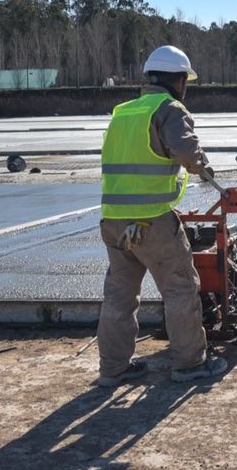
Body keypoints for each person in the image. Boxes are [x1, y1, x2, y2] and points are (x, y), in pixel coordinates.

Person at [96, 45, 228, 386]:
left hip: (113, 221)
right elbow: (185, 151)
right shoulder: (169, 108)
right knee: (180, 289)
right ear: (179, 80)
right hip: (152, 221)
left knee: (119, 296)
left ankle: (113, 370)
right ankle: (189, 363)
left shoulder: (122, 112)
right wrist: (202, 166)